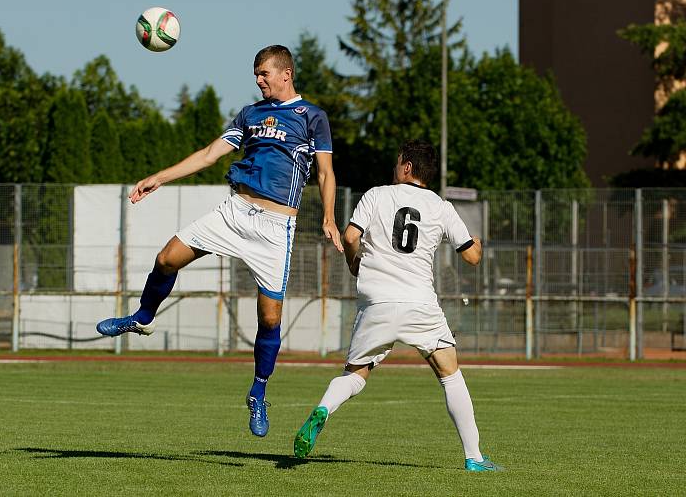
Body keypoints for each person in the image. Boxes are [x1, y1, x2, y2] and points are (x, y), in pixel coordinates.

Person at [96, 45, 342, 438]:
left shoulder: (312, 116)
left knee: (270, 318)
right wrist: (160, 176)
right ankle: (142, 317)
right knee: (167, 258)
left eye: (264, 73)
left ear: (286, 73)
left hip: (276, 228)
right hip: (235, 211)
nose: (258, 80)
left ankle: (258, 391)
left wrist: (328, 216)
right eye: (255, 73)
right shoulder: (251, 113)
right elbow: (211, 153)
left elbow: (326, 173)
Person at [292, 142, 503, 472]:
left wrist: (353, 262)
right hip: (420, 302)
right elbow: (472, 257)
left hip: (376, 302)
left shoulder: (376, 195)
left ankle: (322, 410)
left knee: (355, 375)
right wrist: (477, 244)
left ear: (407, 167)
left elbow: (349, 237)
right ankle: (474, 457)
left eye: (397, 162)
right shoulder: (440, 206)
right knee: (450, 374)